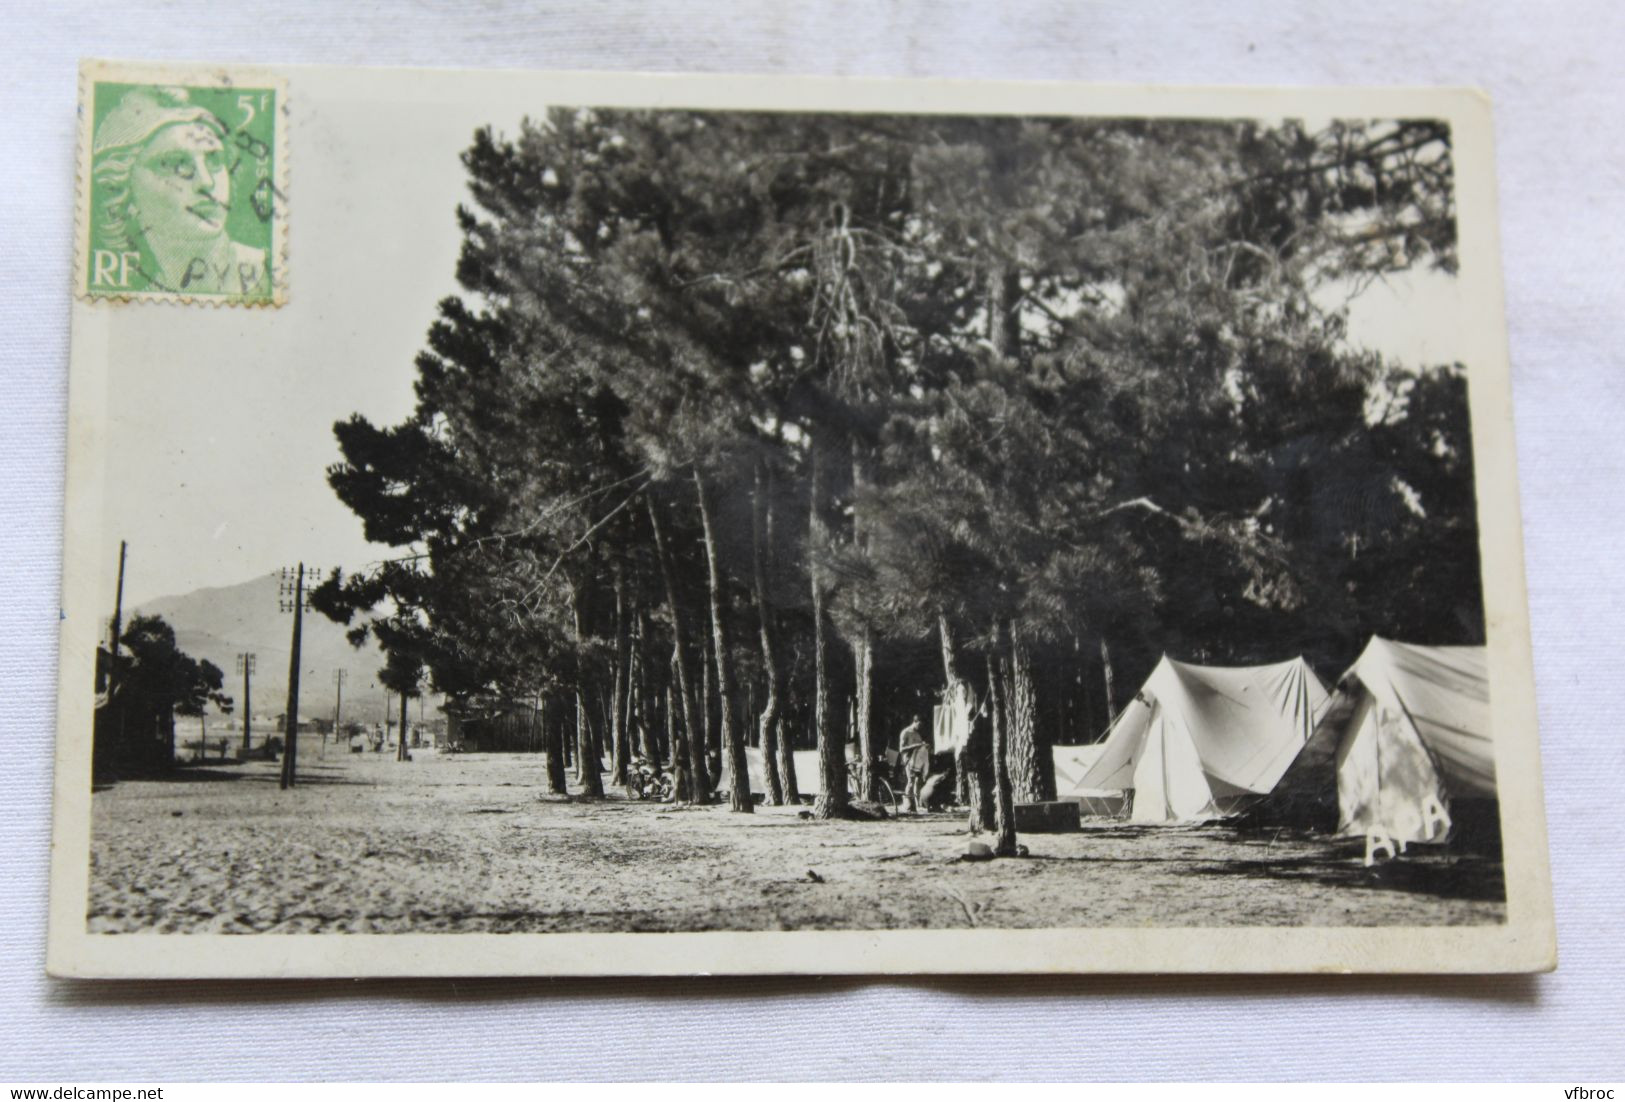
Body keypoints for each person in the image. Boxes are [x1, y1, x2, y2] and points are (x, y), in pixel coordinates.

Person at [90, 86, 270, 296]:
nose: (206, 182)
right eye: (176, 164)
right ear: (123, 192)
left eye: (214, 160)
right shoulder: (140, 298)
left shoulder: (270, 274)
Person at [898, 716, 930, 812]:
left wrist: (925, 746)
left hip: (917, 761)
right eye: (919, 724)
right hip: (908, 760)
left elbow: (920, 748)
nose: (920, 727)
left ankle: (917, 804)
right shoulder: (905, 732)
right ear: (914, 721)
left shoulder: (918, 734)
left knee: (918, 782)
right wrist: (915, 745)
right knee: (911, 781)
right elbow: (901, 749)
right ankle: (907, 803)